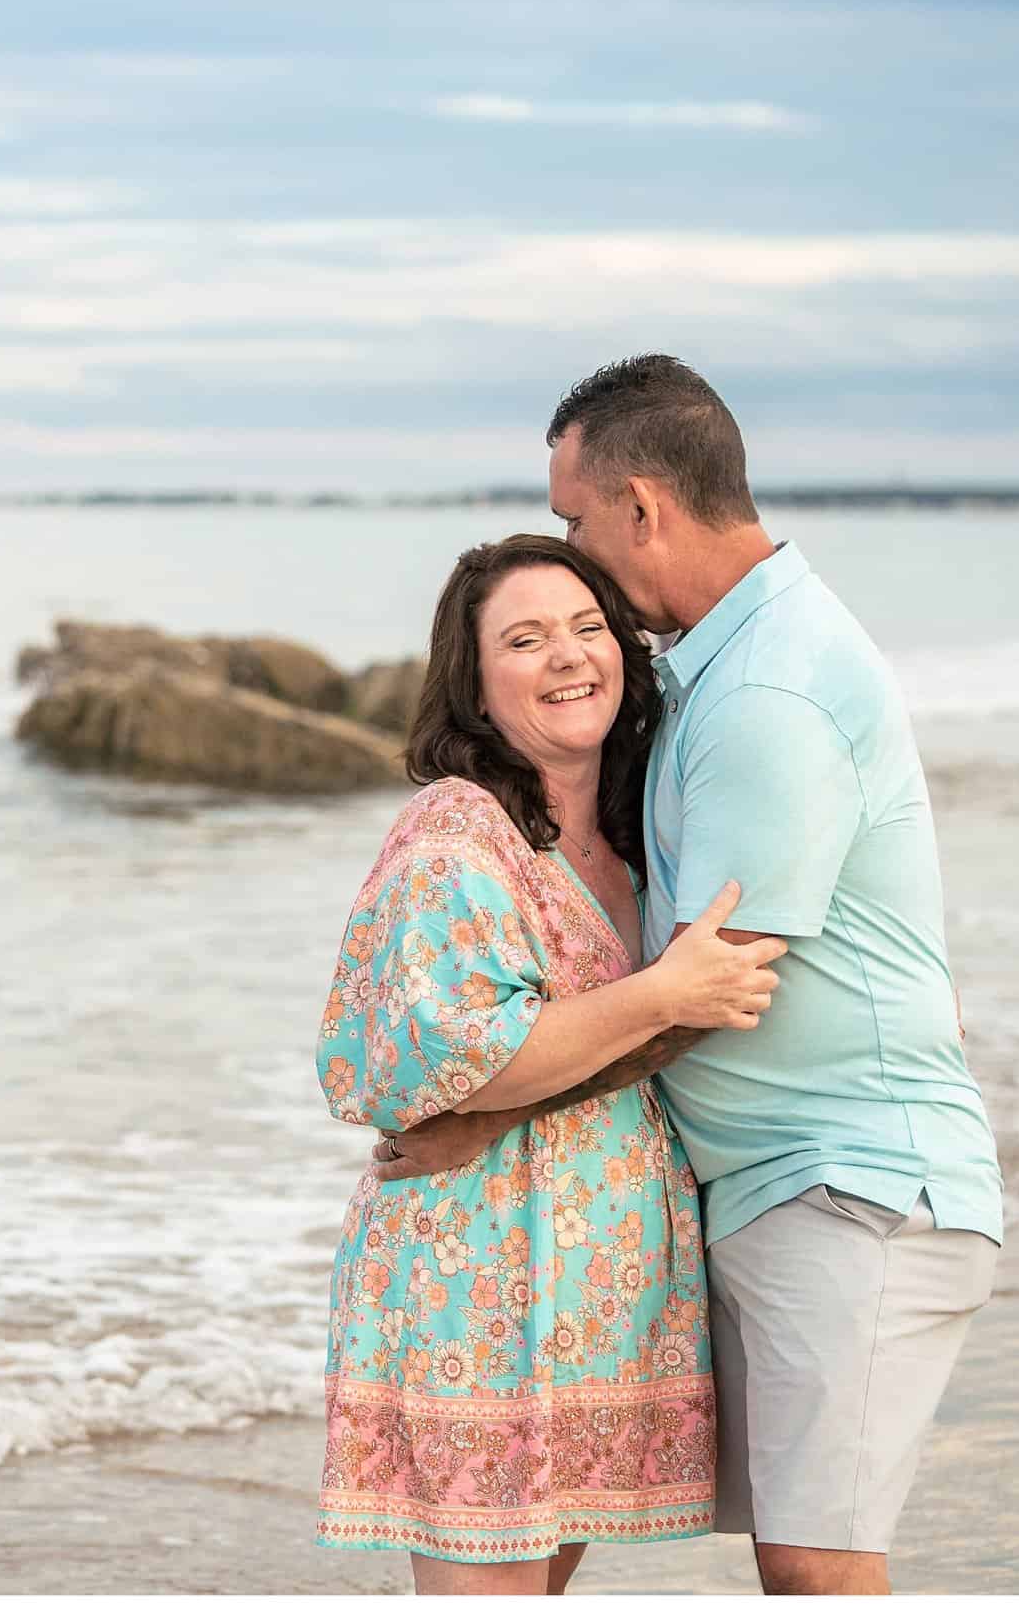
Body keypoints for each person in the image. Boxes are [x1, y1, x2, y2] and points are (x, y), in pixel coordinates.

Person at [373, 355, 1005, 1596]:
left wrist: (481, 1113)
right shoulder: (721, 663)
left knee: (818, 1566)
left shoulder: (767, 686)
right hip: (763, 1187)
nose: (573, 546)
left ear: (643, 507)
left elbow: (707, 986)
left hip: (844, 1183)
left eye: (574, 520)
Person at [314, 533, 788, 1596]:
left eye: (585, 628)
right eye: (524, 639)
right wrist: (662, 991)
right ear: (475, 687)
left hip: (597, 1287)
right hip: (476, 1272)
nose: (568, 656)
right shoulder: (456, 831)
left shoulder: (635, 831)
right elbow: (468, 1057)